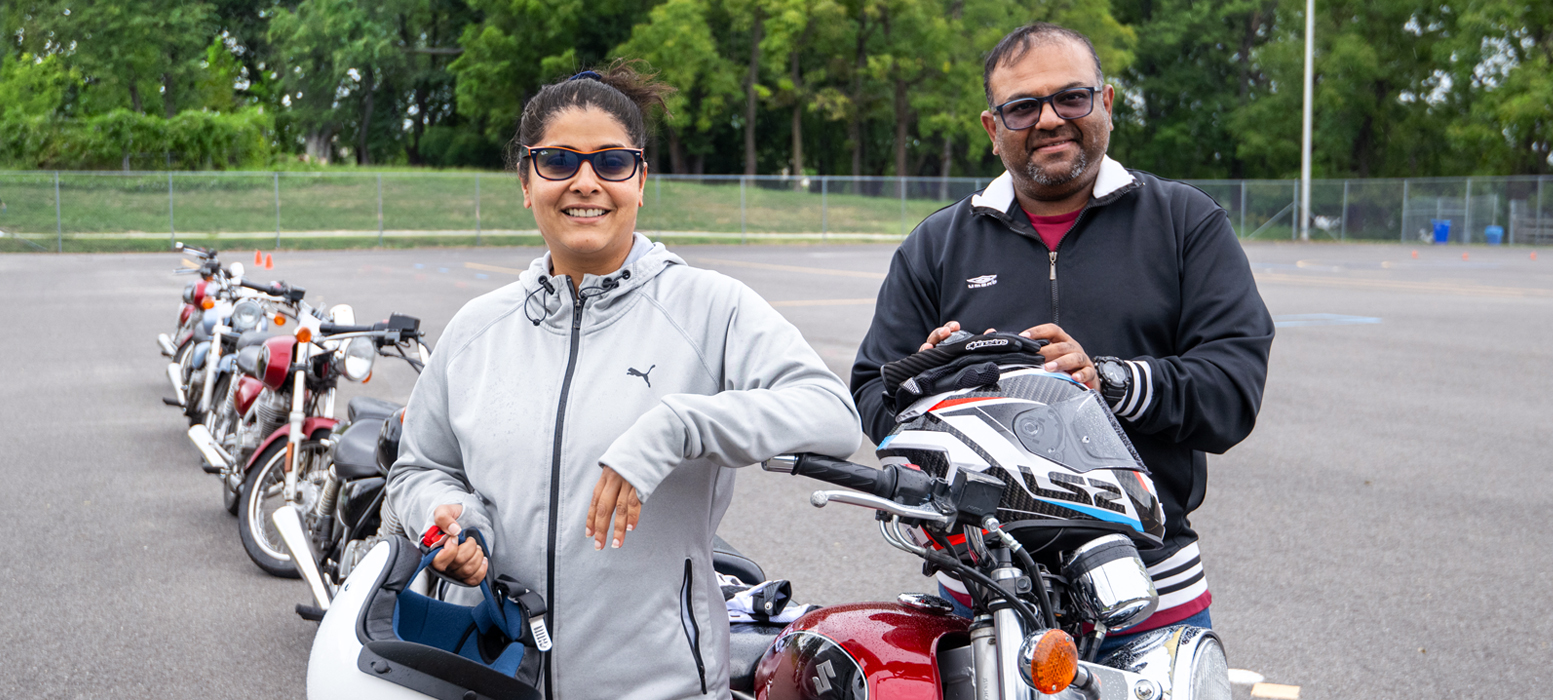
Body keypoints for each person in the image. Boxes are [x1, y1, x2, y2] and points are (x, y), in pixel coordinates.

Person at [387, 61, 861, 700]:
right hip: (497, 676)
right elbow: (418, 470)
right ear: (526, 182)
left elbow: (833, 416)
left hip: (662, 686)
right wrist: (456, 520)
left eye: (611, 162)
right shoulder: (477, 328)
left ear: (641, 180)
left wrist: (679, 424)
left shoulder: (708, 306)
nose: (585, 181)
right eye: (558, 160)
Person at [849, 23, 1274, 656]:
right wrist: (931, 389)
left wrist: (1109, 379)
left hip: (1147, 587)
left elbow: (1233, 390)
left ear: (1106, 102)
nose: (1049, 119)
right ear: (994, 131)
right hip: (981, 591)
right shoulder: (936, 245)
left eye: (1070, 97)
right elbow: (872, 388)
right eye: (1023, 106)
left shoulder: (1186, 223)